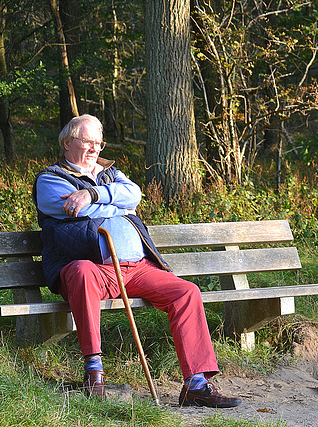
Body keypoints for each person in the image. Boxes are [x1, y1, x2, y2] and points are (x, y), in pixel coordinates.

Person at [33, 114, 241, 408]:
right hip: (94, 268)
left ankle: (196, 384)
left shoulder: (109, 173)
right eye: (87, 141)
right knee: (80, 271)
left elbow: (134, 195)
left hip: (137, 267)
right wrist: (117, 206)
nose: (94, 148)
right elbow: (73, 211)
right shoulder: (50, 178)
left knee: (187, 292)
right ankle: (94, 370)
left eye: (98, 142)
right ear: (68, 143)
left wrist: (93, 194)